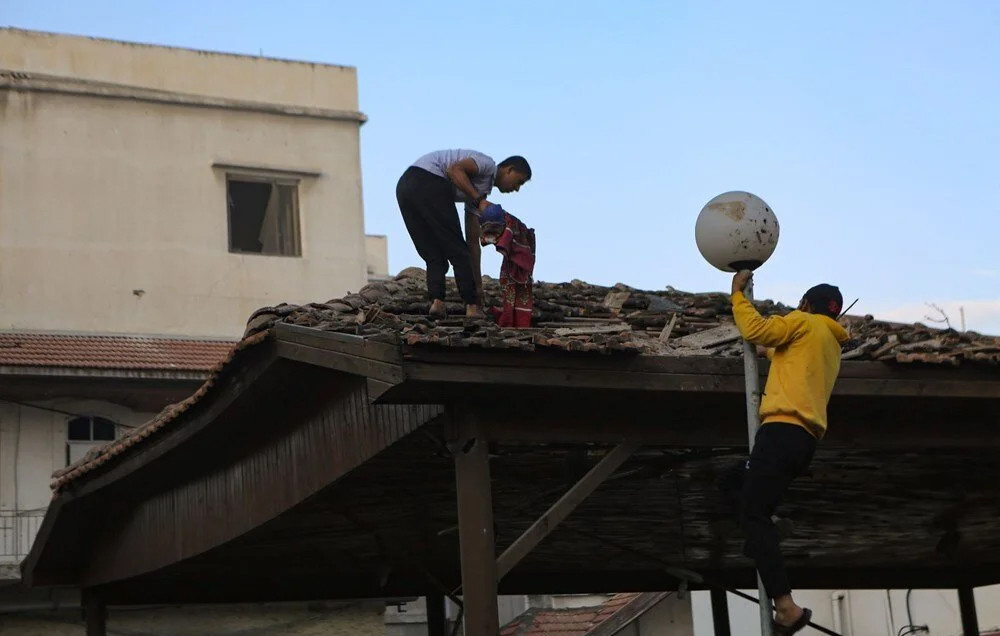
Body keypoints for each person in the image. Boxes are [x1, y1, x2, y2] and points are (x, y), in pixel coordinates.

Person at [729, 269, 849, 634]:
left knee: (753, 515)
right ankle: (767, 538)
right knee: (732, 482)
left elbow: (757, 331)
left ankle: (786, 607)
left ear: (805, 305)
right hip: (803, 442)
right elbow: (793, 360)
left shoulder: (801, 321)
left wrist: (737, 295)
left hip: (780, 431)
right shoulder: (830, 342)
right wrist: (772, 353)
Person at [396, 150, 531, 318]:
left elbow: (472, 242)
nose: (517, 189)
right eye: (519, 182)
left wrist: (479, 287)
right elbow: (454, 170)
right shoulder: (487, 165)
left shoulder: (477, 193)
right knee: (457, 250)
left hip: (405, 187)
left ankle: (437, 302)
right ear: (509, 170)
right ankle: (472, 307)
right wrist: (479, 200)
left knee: (434, 254)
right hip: (427, 178)